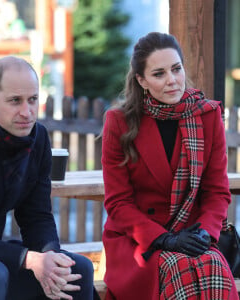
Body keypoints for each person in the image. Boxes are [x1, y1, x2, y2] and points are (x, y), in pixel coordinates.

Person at [0, 56, 97, 300]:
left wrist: (51, 260)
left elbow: (36, 216)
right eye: (15, 101)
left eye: (33, 99)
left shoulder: (38, 139)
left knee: (76, 271)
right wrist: (29, 259)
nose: (27, 112)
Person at [101, 32, 239, 300]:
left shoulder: (208, 115)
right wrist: (164, 239)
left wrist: (203, 233)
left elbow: (217, 192)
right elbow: (118, 203)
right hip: (140, 241)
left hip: (193, 233)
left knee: (213, 266)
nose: (172, 80)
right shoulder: (119, 121)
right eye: (159, 74)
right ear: (142, 80)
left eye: (176, 69)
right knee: (176, 267)